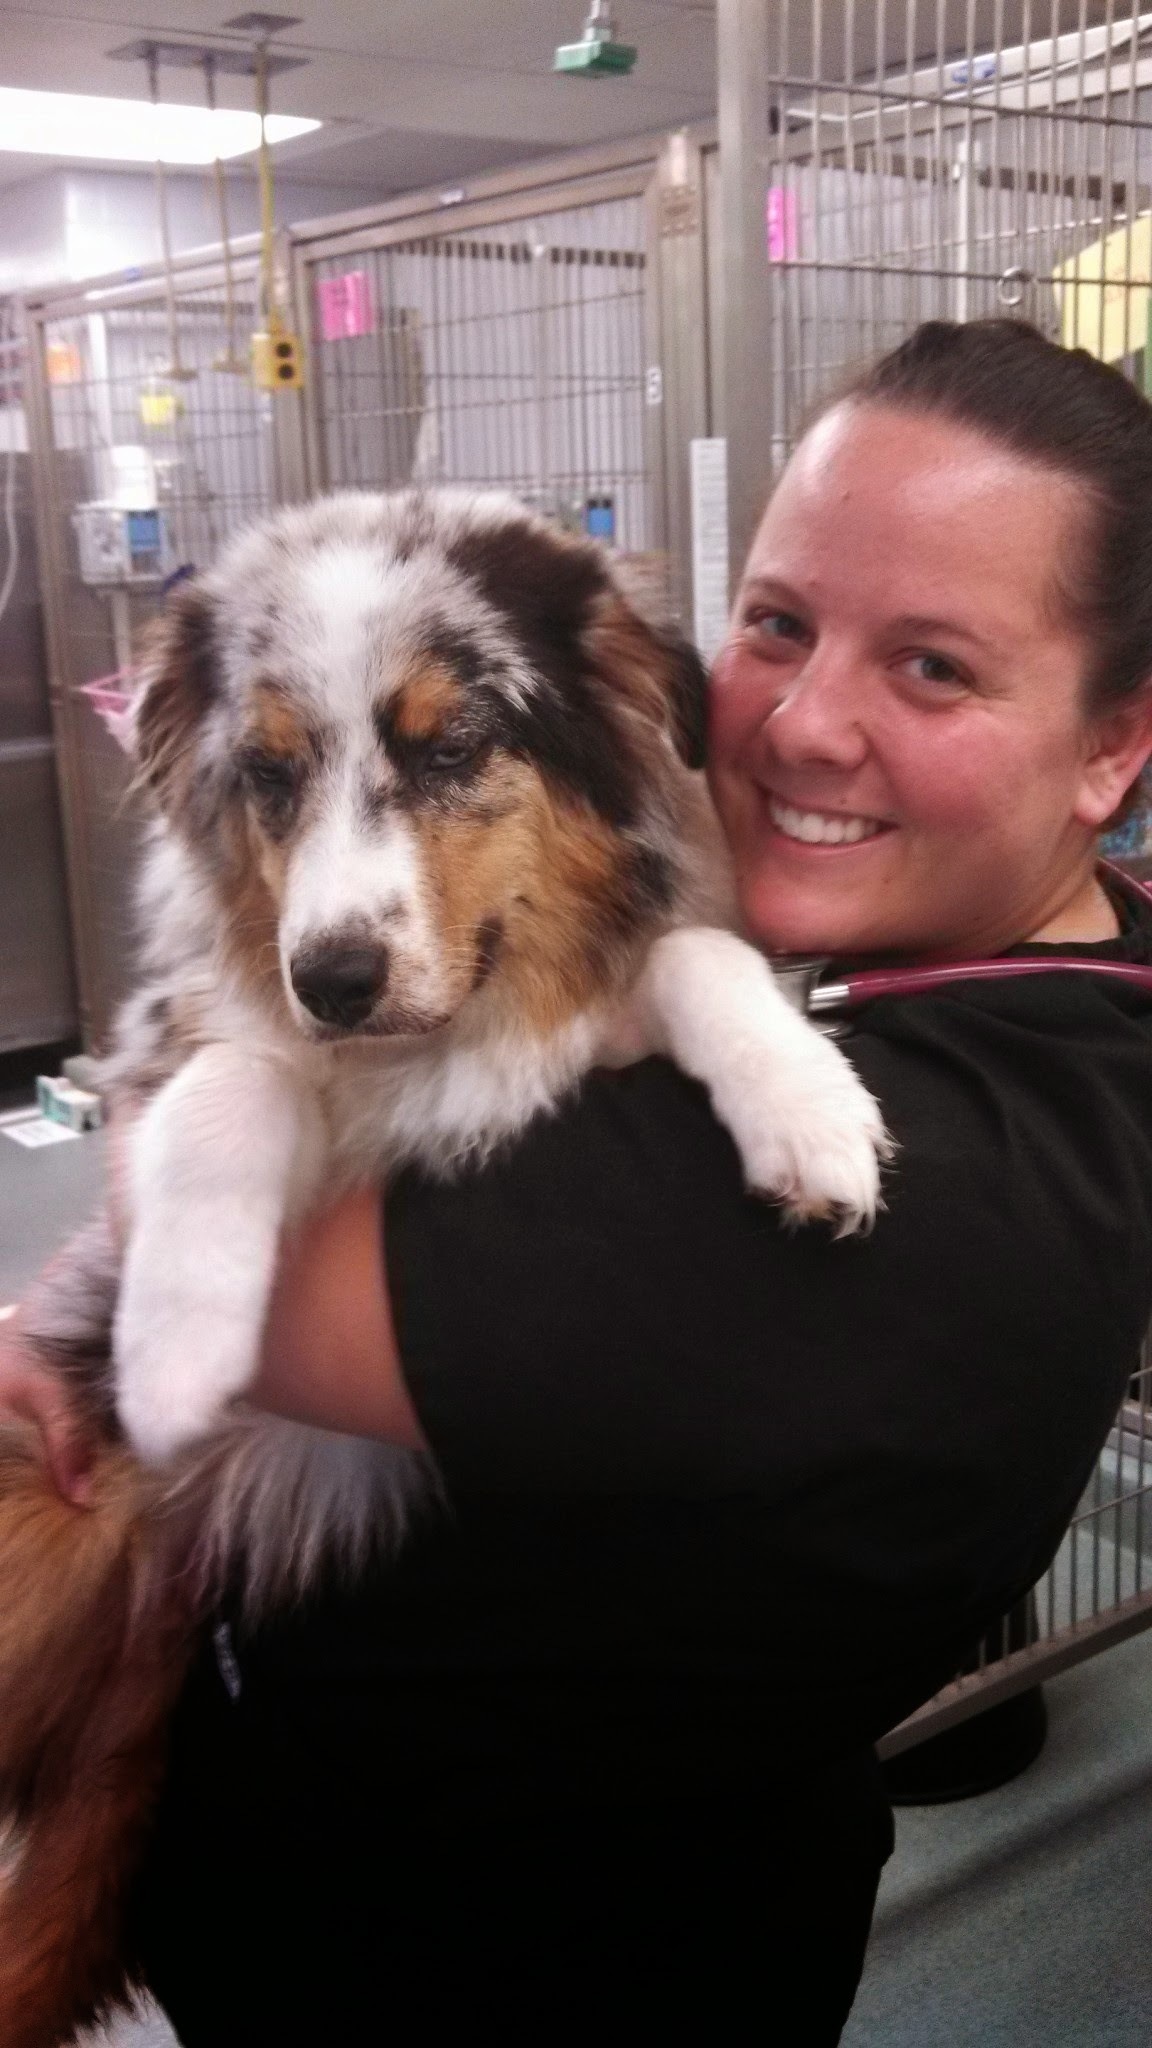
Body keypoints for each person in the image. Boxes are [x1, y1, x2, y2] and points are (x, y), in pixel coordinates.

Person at [8, 317, 1152, 2044]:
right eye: (777, 624)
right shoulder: (1025, 960)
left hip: (507, 1958)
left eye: (935, 668)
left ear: (1113, 745)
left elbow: (229, 1315)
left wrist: (151, 1136)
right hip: (347, 1833)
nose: (796, 724)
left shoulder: (954, 1200)